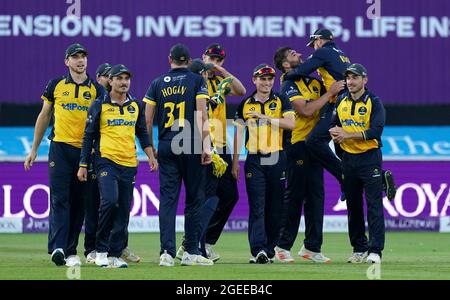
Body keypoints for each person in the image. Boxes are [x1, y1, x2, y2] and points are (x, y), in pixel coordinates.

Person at [285, 28, 397, 201]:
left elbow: (301, 71)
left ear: (319, 41)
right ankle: (377, 177)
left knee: (314, 141)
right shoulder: (340, 53)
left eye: (313, 44)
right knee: (340, 145)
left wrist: (286, 76)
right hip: (347, 101)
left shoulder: (323, 51)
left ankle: (345, 178)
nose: (313, 48)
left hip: (340, 102)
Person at [24, 43, 104, 267]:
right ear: (66, 61)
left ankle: (70, 250)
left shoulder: (98, 90)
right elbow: (44, 115)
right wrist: (34, 149)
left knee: (79, 203)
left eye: (83, 57)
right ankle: (58, 247)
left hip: (85, 153)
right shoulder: (56, 85)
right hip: (59, 148)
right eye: (75, 57)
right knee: (59, 199)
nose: (80, 61)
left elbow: (104, 123)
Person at [77, 64, 157, 268]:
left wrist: (151, 156)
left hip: (129, 163)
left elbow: (142, 133)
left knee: (123, 210)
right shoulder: (99, 104)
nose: (124, 82)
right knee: (110, 202)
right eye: (119, 79)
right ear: (110, 82)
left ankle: (114, 254)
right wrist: (83, 164)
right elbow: (88, 136)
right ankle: (101, 250)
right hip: (106, 161)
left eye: (127, 79)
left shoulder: (136, 105)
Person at [273, 47, 345, 263]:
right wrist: (329, 93)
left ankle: (312, 247)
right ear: (286, 65)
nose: (299, 56)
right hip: (296, 144)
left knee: (316, 196)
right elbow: (305, 110)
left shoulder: (314, 82)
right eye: (293, 55)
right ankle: (282, 245)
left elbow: (326, 105)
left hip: (314, 145)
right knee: (295, 195)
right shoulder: (288, 83)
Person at [144, 44, 214, 267]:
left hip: (166, 145)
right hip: (191, 144)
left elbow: (147, 120)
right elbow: (202, 115)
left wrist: (151, 148)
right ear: (189, 61)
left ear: (169, 59)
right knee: (194, 200)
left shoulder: (157, 83)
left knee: (168, 200)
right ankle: (191, 252)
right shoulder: (197, 81)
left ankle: (166, 252)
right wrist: (206, 146)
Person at [176, 44, 247, 262]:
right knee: (208, 196)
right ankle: (193, 244)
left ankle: (202, 242)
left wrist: (221, 71)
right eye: (211, 57)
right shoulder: (192, 80)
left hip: (222, 146)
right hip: (203, 145)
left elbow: (241, 91)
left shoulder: (219, 81)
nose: (214, 61)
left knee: (229, 196)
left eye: (219, 59)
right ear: (202, 56)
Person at [232, 64, 295, 264]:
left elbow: (291, 124)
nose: (267, 83)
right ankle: (258, 249)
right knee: (257, 205)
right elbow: (239, 133)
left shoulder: (281, 100)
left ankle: (269, 249)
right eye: (262, 79)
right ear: (254, 80)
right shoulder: (245, 104)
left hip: (276, 157)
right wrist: (235, 161)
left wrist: (266, 118)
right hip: (255, 159)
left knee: (275, 207)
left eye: (270, 79)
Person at [329, 63, 385, 264]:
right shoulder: (341, 101)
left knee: (374, 206)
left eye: (355, 78)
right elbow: (334, 126)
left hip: (370, 159)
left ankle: (375, 251)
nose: (350, 82)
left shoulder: (374, 102)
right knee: (353, 207)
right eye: (348, 78)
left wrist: (347, 134)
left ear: (364, 80)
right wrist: (336, 136)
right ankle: (359, 248)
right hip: (348, 160)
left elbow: (375, 131)